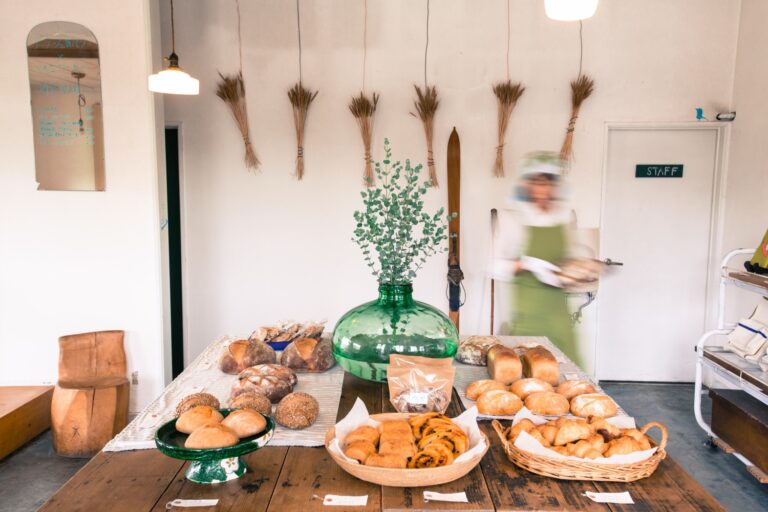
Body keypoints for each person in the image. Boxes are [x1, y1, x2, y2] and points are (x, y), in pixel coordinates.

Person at [492, 151, 583, 367]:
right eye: (536, 183)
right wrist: (523, 264)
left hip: (560, 317)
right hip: (528, 317)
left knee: (569, 374)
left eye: (547, 184)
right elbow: (494, 266)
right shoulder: (513, 220)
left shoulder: (565, 218)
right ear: (527, 186)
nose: (542, 190)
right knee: (528, 373)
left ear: (555, 187)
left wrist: (574, 272)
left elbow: (571, 262)